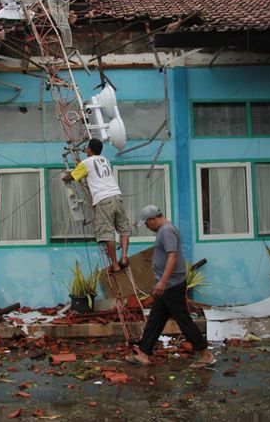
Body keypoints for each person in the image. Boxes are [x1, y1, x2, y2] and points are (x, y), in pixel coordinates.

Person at [127, 204, 215, 368]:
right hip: (168, 283)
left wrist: (163, 281)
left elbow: (172, 257)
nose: (147, 227)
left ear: (153, 219)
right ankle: (144, 353)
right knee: (156, 318)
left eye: (147, 223)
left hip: (171, 284)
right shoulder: (165, 230)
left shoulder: (166, 230)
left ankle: (205, 353)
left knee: (183, 319)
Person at [62, 138, 129, 274]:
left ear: (90, 150)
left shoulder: (86, 163)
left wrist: (65, 176)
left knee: (107, 234)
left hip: (103, 200)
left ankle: (115, 266)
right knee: (123, 229)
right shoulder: (105, 160)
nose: (86, 150)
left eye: (87, 148)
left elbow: (72, 177)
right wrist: (80, 166)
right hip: (117, 196)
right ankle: (123, 258)